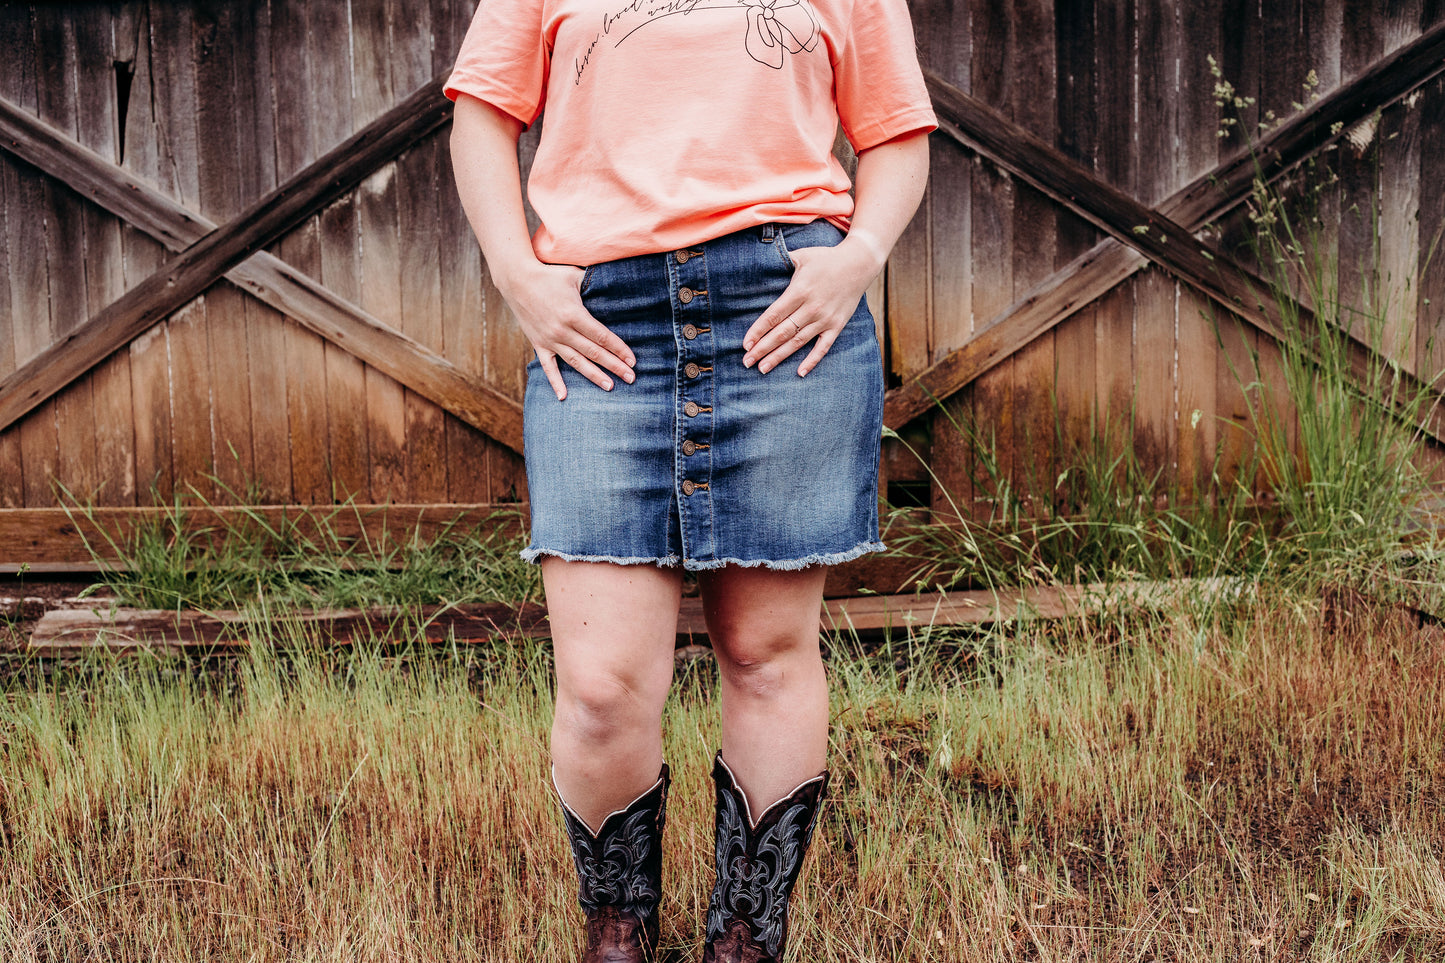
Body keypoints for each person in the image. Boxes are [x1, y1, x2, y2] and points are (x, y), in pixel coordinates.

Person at [445, 0, 934, 958]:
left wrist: (858, 260)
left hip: (784, 311)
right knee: (599, 686)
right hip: (600, 324)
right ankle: (618, 934)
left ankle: (743, 940)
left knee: (764, 651)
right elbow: (481, 115)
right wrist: (516, 270)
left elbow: (896, 134)